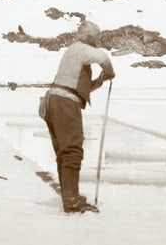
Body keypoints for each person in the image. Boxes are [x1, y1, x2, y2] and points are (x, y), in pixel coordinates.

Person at [43, 20, 114, 213]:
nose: (99, 40)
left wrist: (100, 80)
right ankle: (72, 199)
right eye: (98, 37)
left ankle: (69, 195)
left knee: (64, 152)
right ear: (90, 37)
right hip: (64, 103)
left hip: (55, 100)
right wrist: (110, 72)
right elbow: (103, 57)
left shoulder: (74, 52)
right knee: (72, 150)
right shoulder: (81, 48)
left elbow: (80, 87)